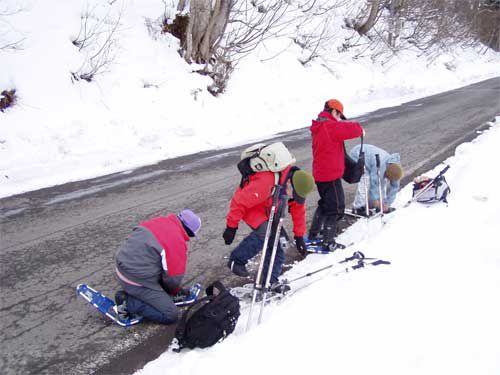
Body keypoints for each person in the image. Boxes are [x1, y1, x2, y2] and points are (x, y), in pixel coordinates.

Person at [223, 166, 315, 289]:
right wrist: (231, 226)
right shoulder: (266, 181)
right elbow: (240, 202)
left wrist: (299, 236)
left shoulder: (295, 184)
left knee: (279, 243)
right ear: (289, 182)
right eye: (293, 193)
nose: (293, 196)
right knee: (266, 233)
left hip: (270, 209)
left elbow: (298, 209)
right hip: (252, 208)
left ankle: (268, 281)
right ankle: (237, 260)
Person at [114, 209, 201, 324]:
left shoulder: (159, 221)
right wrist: (174, 292)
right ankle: (128, 303)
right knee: (170, 315)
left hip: (121, 268)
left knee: (160, 266)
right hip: (136, 280)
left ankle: (131, 293)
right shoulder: (177, 240)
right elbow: (173, 278)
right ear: (190, 232)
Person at [309, 99, 364, 250]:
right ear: (334, 111)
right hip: (330, 176)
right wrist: (360, 129)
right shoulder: (329, 126)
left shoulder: (320, 125)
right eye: (339, 115)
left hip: (321, 174)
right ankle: (328, 241)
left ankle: (314, 233)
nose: (339, 119)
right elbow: (351, 129)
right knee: (337, 208)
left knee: (325, 204)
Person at [349, 144, 403, 214]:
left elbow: (395, 187)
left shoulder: (396, 168)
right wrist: (375, 200)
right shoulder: (381, 167)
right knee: (365, 181)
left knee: (382, 182)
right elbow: (374, 184)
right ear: (386, 173)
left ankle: (381, 205)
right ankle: (358, 208)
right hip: (357, 155)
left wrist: (387, 203)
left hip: (370, 158)